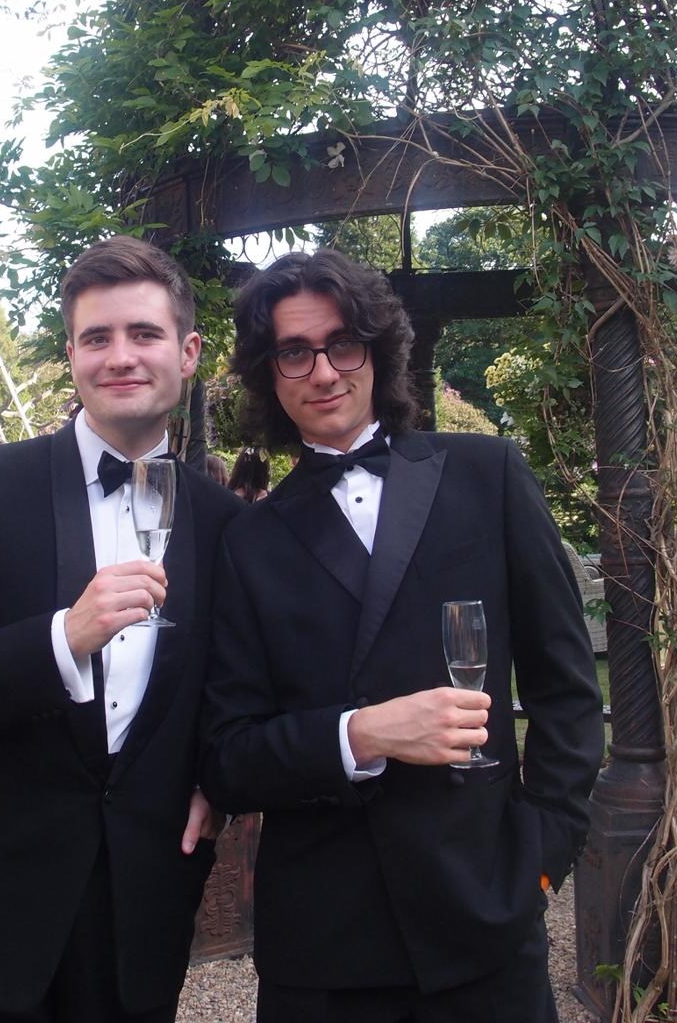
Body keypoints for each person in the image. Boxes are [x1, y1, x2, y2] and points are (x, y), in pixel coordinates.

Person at [201, 249, 604, 1022]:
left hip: (484, 918)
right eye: (294, 352)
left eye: (342, 343)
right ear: (268, 374)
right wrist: (364, 734)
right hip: (324, 946)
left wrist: (543, 860)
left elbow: (567, 688)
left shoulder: (487, 476)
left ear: (377, 350)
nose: (324, 373)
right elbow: (229, 760)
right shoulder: (249, 543)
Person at [0, 236, 243, 1022]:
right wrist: (62, 639)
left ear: (188, 353)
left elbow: (234, 688)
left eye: (144, 334)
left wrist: (218, 781)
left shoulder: (225, 523)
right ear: (73, 354)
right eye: (97, 337)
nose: (121, 356)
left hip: (143, 903)